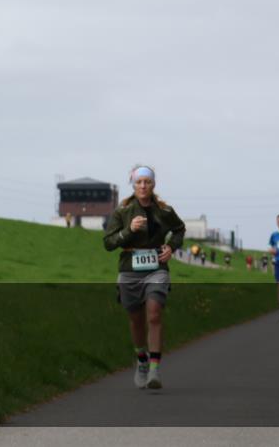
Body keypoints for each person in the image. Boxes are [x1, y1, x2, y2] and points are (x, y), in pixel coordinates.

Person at [104, 165, 186, 390]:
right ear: (133, 184)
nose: (143, 186)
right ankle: (141, 359)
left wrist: (171, 247)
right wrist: (128, 230)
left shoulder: (164, 210)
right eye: (139, 182)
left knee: (154, 314)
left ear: (153, 184)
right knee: (136, 320)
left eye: (147, 182)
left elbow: (179, 229)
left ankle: (154, 369)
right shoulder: (123, 211)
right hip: (129, 270)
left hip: (157, 268)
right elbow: (108, 243)